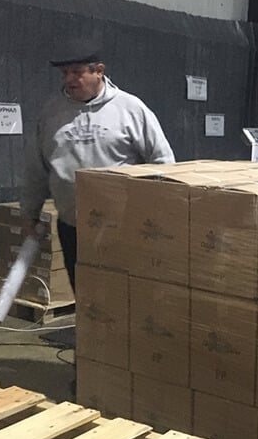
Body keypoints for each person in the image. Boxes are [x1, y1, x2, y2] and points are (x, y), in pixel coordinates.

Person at [21, 41, 175, 290]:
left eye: (77, 72)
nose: (69, 79)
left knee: (124, 295)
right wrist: (29, 213)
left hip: (124, 228)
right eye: (64, 73)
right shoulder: (51, 113)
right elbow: (36, 169)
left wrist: (158, 218)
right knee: (85, 297)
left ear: (99, 70)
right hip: (73, 226)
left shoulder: (130, 109)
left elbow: (163, 163)